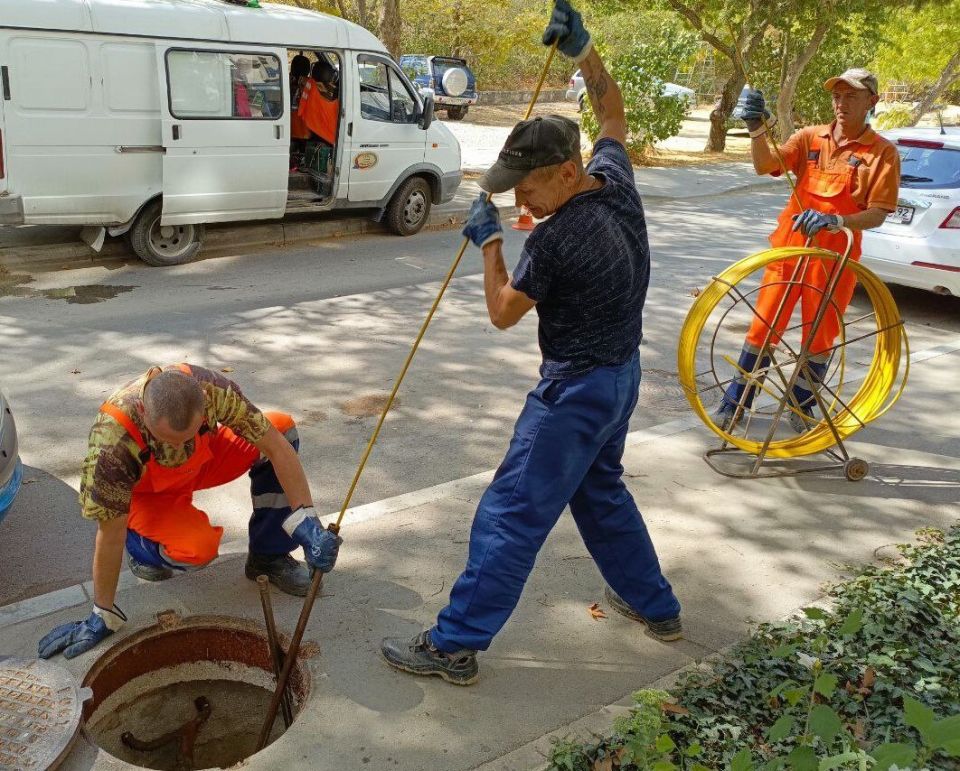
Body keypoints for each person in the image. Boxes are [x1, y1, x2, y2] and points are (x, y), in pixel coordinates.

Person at [380, 0, 681, 686]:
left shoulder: (557, 239)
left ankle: (454, 643)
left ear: (568, 174)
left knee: (512, 512)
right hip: (620, 378)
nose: (526, 200)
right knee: (600, 492)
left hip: (574, 393)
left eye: (533, 187)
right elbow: (612, 115)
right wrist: (584, 50)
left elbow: (502, 312)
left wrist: (491, 244)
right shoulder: (617, 181)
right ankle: (654, 604)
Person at [38, 364, 342, 659]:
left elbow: (275, 446)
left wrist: (307, 522)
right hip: (150, 490)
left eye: (187, 436)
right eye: (168, 440)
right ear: (144, 412)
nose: (179, 446)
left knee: (281, 428)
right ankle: (141, 544)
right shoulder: (112, 440)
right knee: (197, 550)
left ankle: (269, 557)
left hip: (203, 463)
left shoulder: (214, 390)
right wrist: (102, 613)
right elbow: (108, 532)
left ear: (204, 403)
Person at [715, 69, 900, 433]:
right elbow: (764, 165)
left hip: (835, 258)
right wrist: (756, 128)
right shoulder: (809, 137)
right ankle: (735, 403)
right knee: (763, 326)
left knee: (820, 336)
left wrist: (838, 222)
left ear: (872, 102)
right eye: (838, 95)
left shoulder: (882, 153)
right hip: (789, 250)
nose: (841, 103)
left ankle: (801, 409)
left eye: (851, 96)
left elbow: (878, 213)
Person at [298, 58, 340, 147]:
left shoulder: (304, 83)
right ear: (330, 75)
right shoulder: (334, 91)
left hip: (305, 128)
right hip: (325, 134)